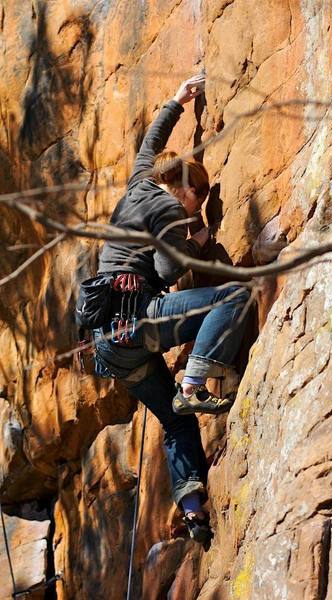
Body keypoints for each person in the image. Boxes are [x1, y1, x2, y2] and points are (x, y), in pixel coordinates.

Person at [93, 75, 250, 546]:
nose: (196, 205)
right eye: (197, 196)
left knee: (177, 420)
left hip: (111, 348)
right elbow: (166, 265)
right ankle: (195, 380)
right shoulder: (167, 209)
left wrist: (177, 101)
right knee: (235, 297)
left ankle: (193, 510)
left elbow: (148, 145)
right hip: (139, 320)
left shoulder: (139, 185)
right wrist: (196, 238)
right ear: (180, 186)